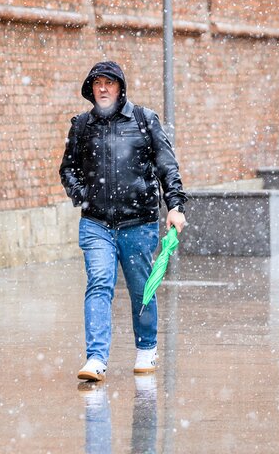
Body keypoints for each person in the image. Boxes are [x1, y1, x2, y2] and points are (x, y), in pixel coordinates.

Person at [60, 60, 187, 382]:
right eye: (97, 83)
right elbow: (68, 169)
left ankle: (146, 348)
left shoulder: (144, 120)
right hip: (96, 223)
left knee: (140, 288)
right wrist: (82, 196)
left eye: (109, 83)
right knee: (99, 283)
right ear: (91, 89)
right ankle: (96, 358)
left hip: (139, 222)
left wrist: (174, 207)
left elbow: (167, 167)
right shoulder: (82, 126)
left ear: (120, 88)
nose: (103, 88)